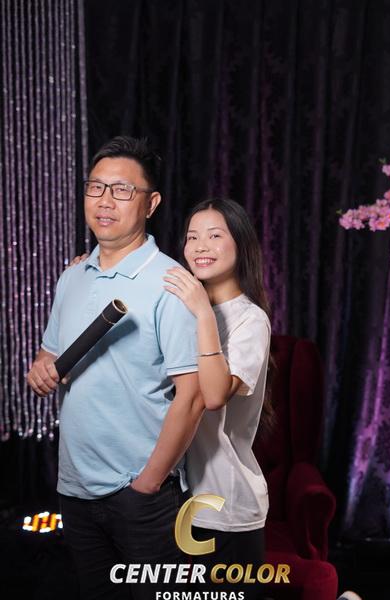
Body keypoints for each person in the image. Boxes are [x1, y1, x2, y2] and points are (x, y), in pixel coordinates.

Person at [26, 136, 203, 600]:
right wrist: (41, 367)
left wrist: (147, 484)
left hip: (140, 496)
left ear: (151, 204)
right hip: (74, 489)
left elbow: (193, 396)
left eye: (122, 190)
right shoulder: (72, 276)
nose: (105, 200)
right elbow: (50, 355)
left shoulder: (171, 283)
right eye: (96, 187)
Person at [163, 198, 272, 599]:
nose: (200, 246)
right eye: (192, 237)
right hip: (175, 498)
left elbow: (213, 396)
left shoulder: (250, 320)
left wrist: (204, 313)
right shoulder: (178, 308)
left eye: (214, 235)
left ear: (241, 244)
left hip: (225, 504)